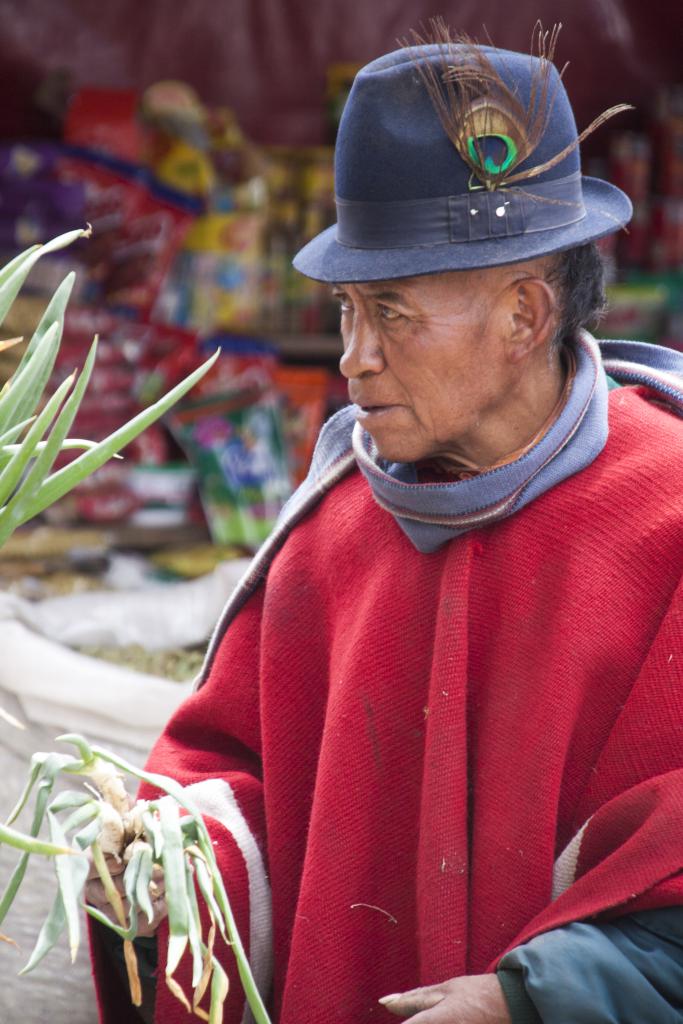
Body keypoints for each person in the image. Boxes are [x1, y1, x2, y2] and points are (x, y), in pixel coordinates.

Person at [88, 26, 683, 1024]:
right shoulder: (333, 534)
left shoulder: (662, 522)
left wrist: (532, 1000)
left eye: (392, 313)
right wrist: (165, 871)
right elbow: (230, 774)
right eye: (345, 313)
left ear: (524, 316)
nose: (353, 359)